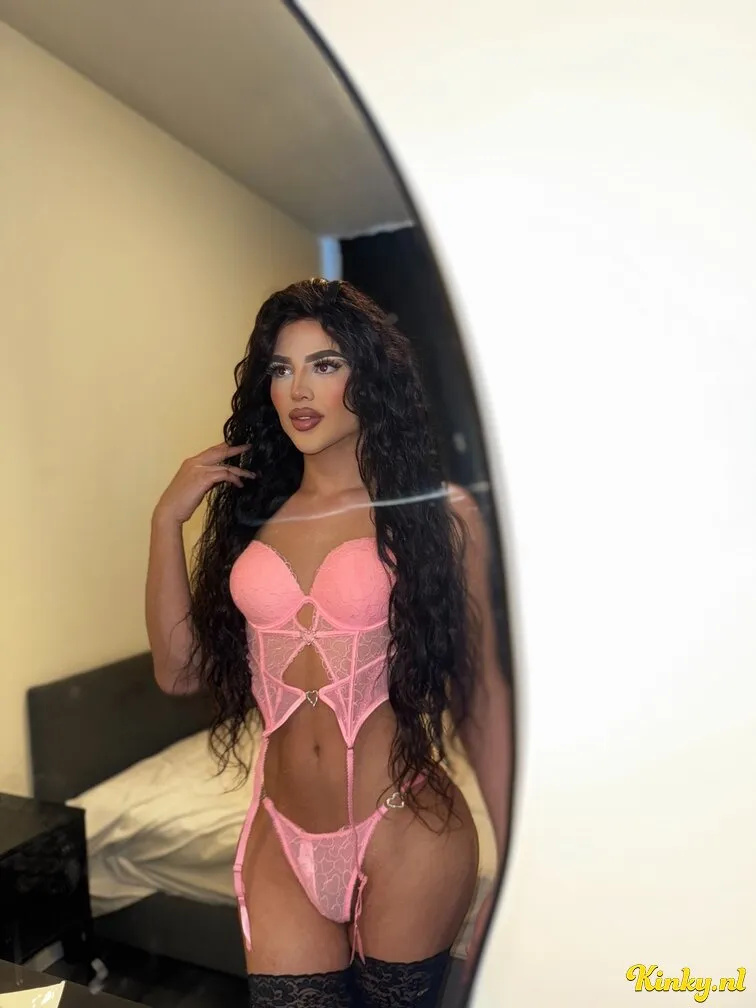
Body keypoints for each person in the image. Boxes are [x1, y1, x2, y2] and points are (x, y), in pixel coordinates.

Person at [146, 278, 513, 1007]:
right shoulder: (253, 513)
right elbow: (179, 673)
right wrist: (165, 523)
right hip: (280, 834)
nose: (299, 390)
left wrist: (519, 857)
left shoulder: (437, 515)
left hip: (406, 825)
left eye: (325, 364)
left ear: (368, 376)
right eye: (281, 369)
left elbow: (479, 696)